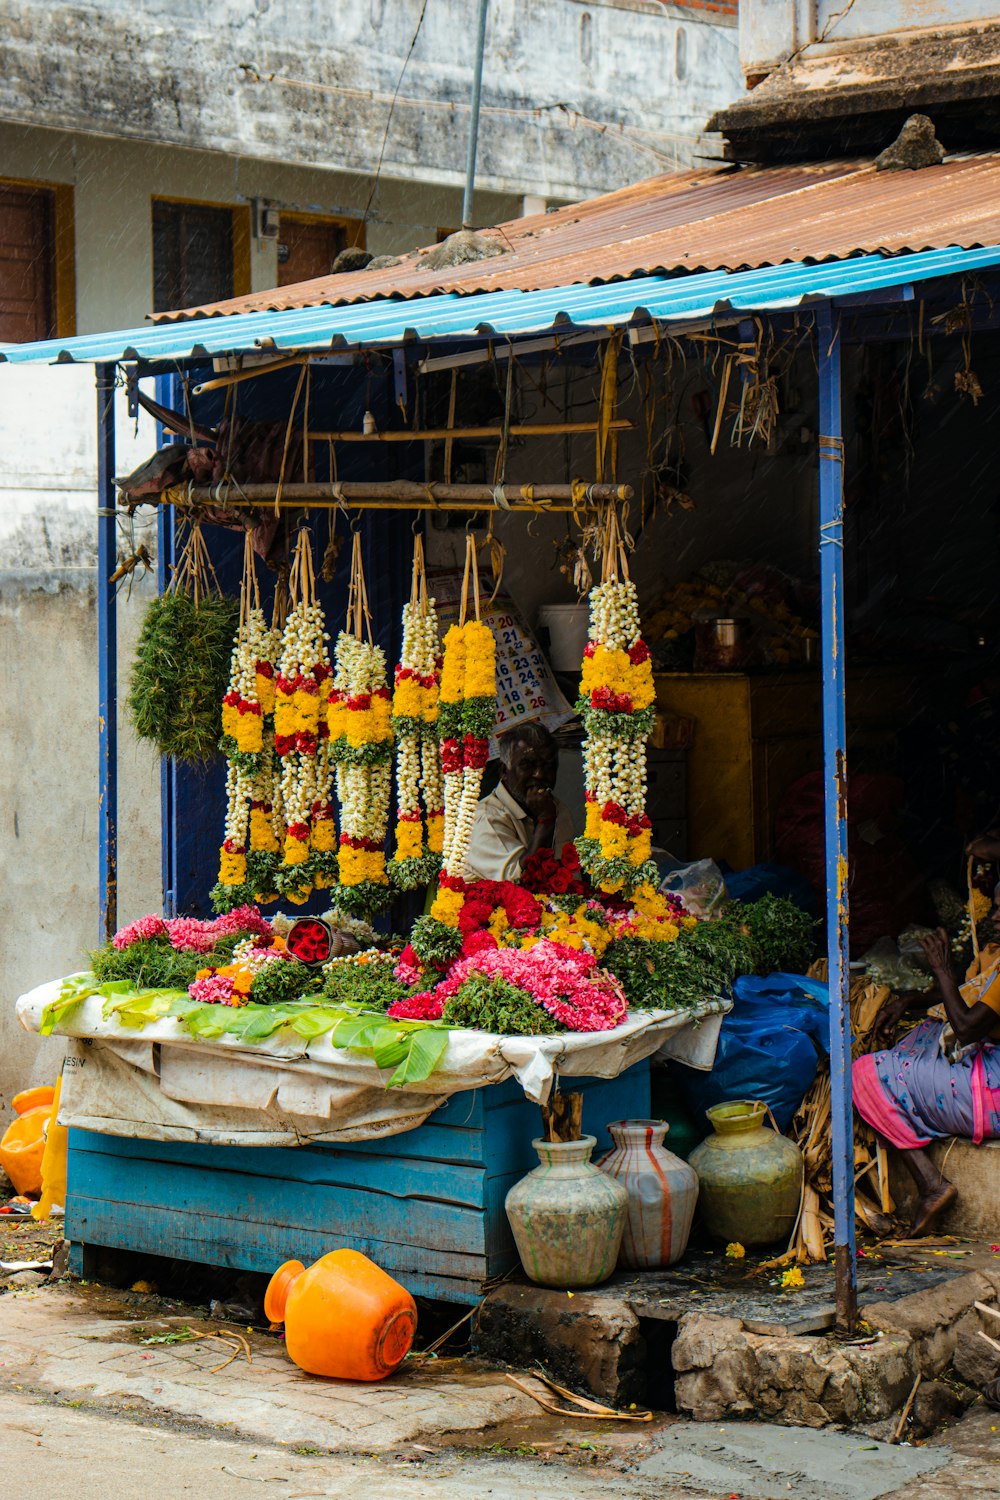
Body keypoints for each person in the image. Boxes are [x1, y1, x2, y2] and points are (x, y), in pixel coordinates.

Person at [853, 873, 1000, 1236]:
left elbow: (966, 1026)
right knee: (919, 1037)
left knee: (865, 1074)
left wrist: (942, 969)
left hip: (991, 1098)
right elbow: (967, 997)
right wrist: (910, 1000)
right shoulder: (994, 953)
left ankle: (931, 1184)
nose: (995, 917)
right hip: (988, 1078)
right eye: (995, 908)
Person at [464, 721, 575, 883]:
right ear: (504, 771)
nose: (539, 774)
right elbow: (521, 882)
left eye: (548, 766)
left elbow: (568, 879)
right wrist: (545, 821)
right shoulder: (484, 817)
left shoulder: (557, 809)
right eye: (527, 765)